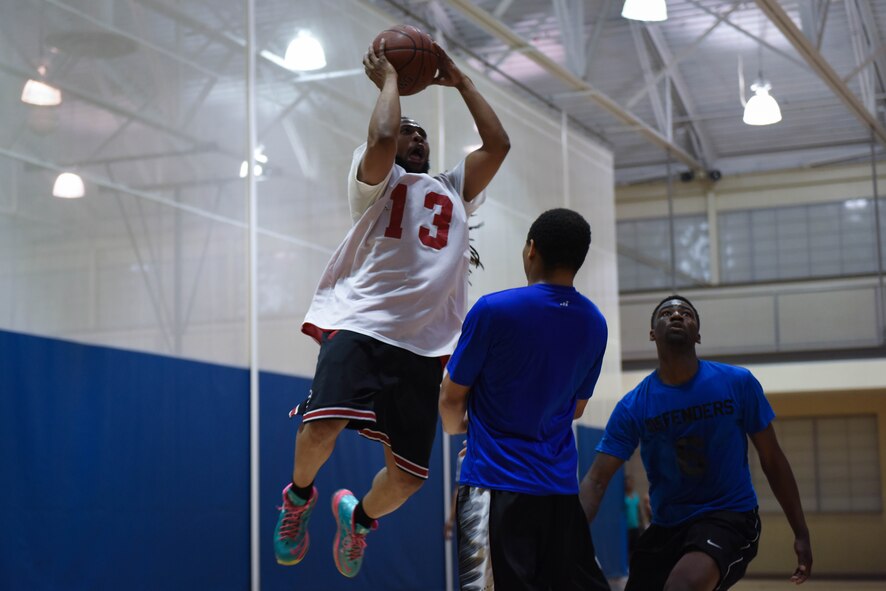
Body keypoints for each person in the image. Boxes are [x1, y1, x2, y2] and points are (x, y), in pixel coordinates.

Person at [271, 37, 509, 578]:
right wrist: (392, 81)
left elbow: (497, 146)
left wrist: (461, 81)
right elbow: (381, 133)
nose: (416, 136)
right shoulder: (376, 180)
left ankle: (358, 520)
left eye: (423, 133)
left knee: (408, 479)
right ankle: (300, 498)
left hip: (426, 345)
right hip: (362, 322)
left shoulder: (454, 188)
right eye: (409, 130)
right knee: (320, 429)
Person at [579, 295, 813, 591]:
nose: (676, 316)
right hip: (667, 526)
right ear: (652, 334)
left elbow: (772, 459)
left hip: (729, 516)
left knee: (683, 586)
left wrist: (801, 531)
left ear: (698, 335)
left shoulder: (737, 383)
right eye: (666, 313)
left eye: (686, 313)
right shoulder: (634, 406)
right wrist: (566, 539)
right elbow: (596, 480)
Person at [439, 208, 610, 591]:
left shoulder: (493, 311)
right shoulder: (595, 323)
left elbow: (451, 399)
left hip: (492, 486)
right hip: (560, 494)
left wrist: (463, 428)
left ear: (531, 249)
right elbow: (577, 407)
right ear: (579, 259)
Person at [624, 474, 643, 560]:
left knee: (636, 548)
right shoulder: (623, 496)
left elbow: (639, 511)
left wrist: (641, 523)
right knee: (627, 547)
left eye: (629, 482)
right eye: (626, 482)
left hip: (636, 526)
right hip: (627, 527)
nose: (628, 484)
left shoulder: (636, 496)